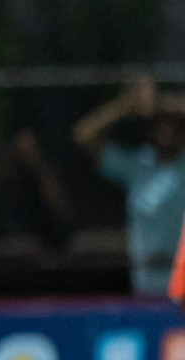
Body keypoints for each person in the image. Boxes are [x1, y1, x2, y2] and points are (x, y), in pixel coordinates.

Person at [73, 77, 185, 296]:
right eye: (161, 125)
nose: (167, 132)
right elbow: (83, 135)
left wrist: (160, 102)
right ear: (150, 131)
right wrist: (125, 107)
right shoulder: (136, 165)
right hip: (145, 283)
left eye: (174, 126)